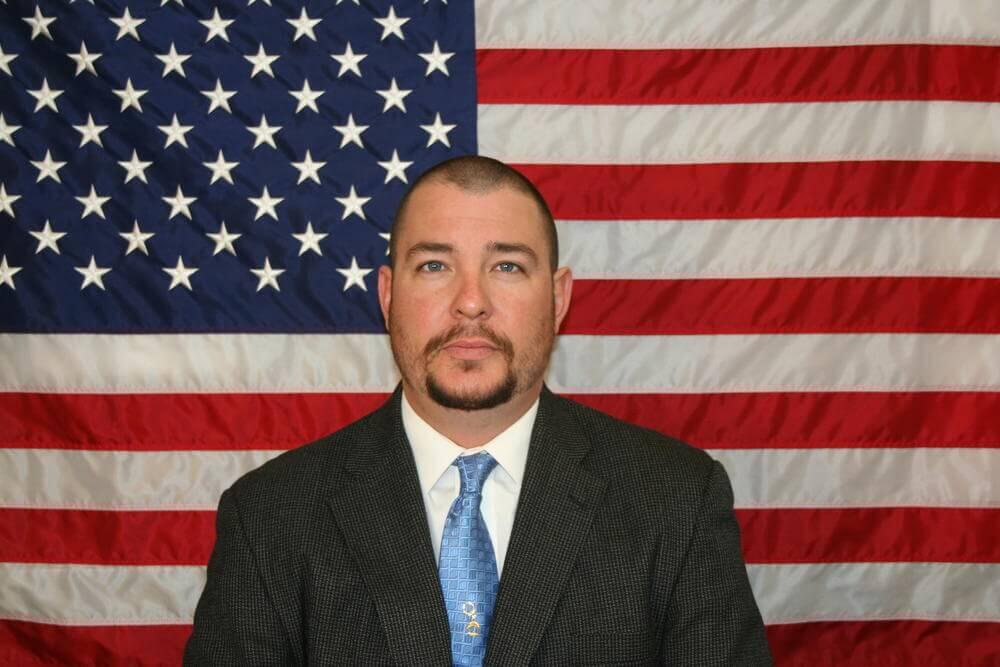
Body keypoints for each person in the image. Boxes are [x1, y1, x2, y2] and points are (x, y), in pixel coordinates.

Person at [185, 155, 773, 666]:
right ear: (388, 295)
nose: (471, 302)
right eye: (435, 265)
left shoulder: (677, 500)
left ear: (559, 296)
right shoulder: (269, 517)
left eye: (507, 266)